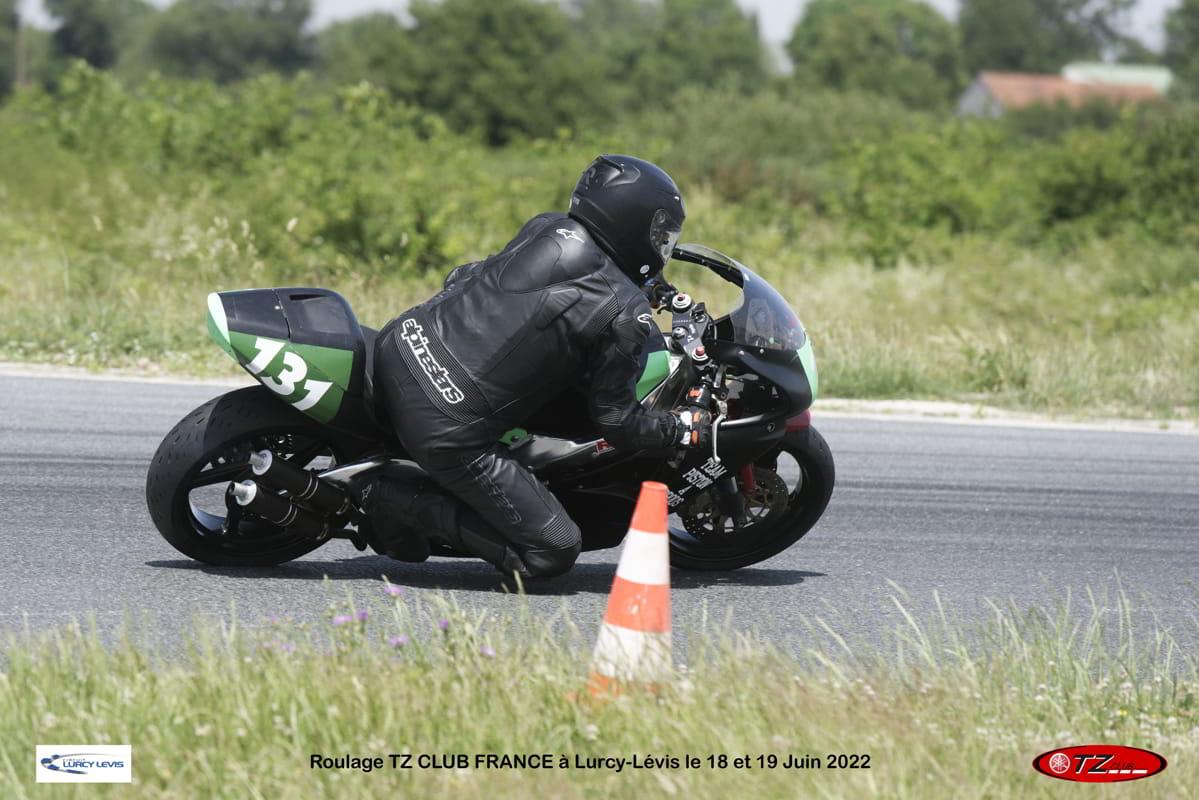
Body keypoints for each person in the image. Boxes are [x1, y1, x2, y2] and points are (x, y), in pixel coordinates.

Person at [355, 155, 711, 578]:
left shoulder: (546, 227)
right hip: (444, 424)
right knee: (554, 549)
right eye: (660, 232)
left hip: (399, 343)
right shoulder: (623, 313)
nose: (662, 243)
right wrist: (677, 427)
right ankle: (385, 497)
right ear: (632, 222)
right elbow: (616, 422)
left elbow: (461, 276)